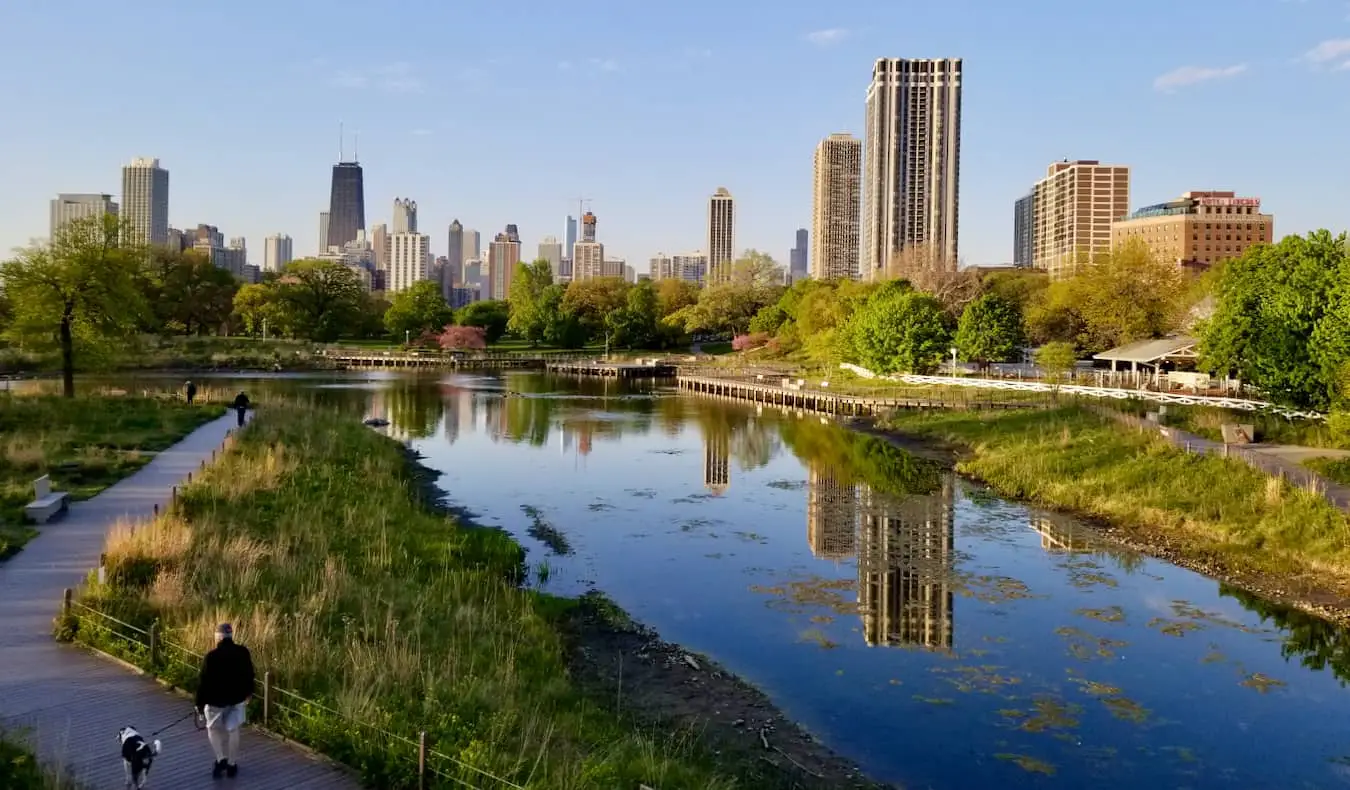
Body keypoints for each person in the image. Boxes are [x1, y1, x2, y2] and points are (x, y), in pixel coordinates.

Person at [195, 623, 255, 779]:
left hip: (216, 701)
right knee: (233, 730)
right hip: (237, 699)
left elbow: (204, 682)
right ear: (231, 635)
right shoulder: (243, 652)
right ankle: (232, 764)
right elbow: (250, 674)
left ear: (219, 637)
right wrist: (249, 692)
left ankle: (220, 758)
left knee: (213, 729)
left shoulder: (211, 657)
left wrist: (199, 704)